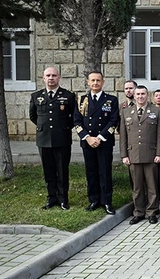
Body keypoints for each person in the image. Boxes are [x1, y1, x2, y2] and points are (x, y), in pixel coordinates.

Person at [29, 67, 77, 210]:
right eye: (48, 75)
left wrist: (63, 128)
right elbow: (33, 116)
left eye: (54, 75)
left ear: (59, 77)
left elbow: (74, 118)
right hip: (43, 140)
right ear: (43, 78)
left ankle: (63, 199)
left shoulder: (68, 96)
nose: (51, 78)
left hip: (62, 139)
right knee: (48, 171)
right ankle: (51, 198)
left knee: (62, 171)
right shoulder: (36, 96)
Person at [73, 71, 119, 215]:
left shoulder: (111, 100)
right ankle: (93, 200)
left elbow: (113, 121)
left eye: (98, 80)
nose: (95, 83)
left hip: (103, 142)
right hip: (88, 142)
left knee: (105, 172)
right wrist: (88, 137)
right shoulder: (81, 100)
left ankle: (107, 202)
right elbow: (77, 121)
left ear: (103, 82)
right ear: (88, 82)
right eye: (92, 80)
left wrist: (99, 138)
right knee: (91, 171)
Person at [120, 85, 160, 225]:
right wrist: (124, 155)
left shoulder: (157, 111)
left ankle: (152, 212)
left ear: (148, 95)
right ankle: (138, 212)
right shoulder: (126, 112)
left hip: (151, 154)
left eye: (143, 94)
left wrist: (159, 153)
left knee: (152, 186)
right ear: (133, 95)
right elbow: (123, 136)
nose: (140, 96)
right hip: (133, 154)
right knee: (137, 187)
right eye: (138, 94)